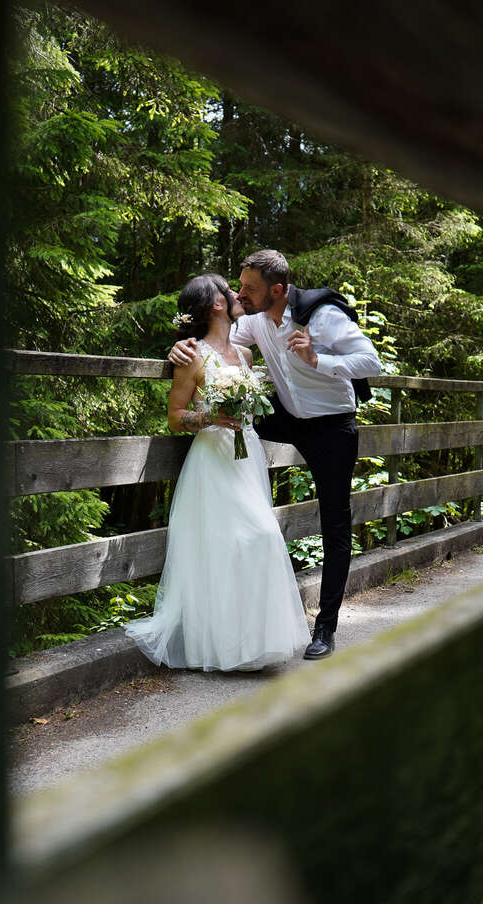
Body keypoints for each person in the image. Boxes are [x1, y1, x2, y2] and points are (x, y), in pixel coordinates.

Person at [168, 250, 382, 660]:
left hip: (331, 425)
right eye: (239, 287)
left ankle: (325, 628)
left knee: (335, 521)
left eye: (249, 288)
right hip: (284, 419)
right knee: (243, 427)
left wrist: (319, 359)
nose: (241, 293)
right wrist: (178, 348)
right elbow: (214, 346)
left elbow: (371, 360)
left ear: (277, 290)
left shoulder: (323, 318)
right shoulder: (252, 321)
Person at [125, 273, 311, 671]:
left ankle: (254, 644)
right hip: (212, 461)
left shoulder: (244, 355)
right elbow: (175, 417)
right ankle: (222, 648)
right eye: (230, 290)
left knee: (259, 538)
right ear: (215, 303)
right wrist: (210, 415)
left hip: (246, 458)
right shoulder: (192, 355)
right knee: (227, 546)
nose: (238, 294)